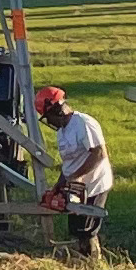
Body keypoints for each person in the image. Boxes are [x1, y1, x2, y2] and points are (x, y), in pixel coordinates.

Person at [35, 83, 110, 259]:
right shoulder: (62, 132)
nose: (49, 122)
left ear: (58, 110)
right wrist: (59, 185)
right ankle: (82, 260)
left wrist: (77, 176)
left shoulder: (83, 123)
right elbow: (68, 163)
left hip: (94, 182)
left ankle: (94, 263)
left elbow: (99, 153)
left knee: (87, 228)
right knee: (76, 228)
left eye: (49, 116)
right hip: (75, 185)